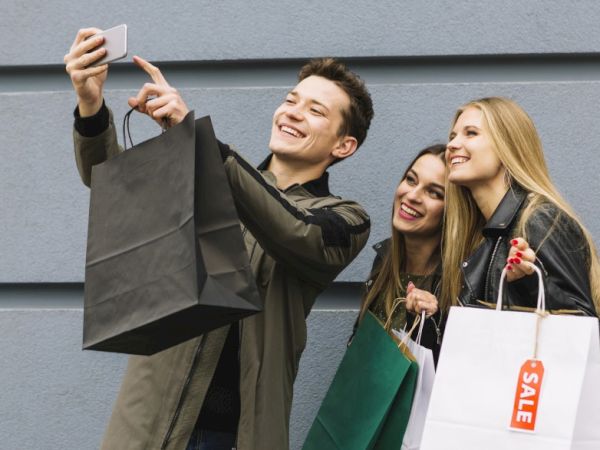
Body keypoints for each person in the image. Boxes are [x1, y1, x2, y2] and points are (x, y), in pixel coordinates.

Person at [64, 28, 373, 450]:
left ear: (344, 145)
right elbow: (112, 185)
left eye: (316, 110)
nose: (293, 112)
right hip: (146, 429)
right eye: (290, 100)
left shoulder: (344, 218)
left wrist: (199, 142)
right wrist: (91, 104)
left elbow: (294, 229)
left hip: (235, 437)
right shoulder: (210, 171)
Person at [441, 96, 599, 317]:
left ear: (507, 145)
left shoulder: (539, 218)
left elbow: (583, 321)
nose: (452, 144)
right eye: (452, 136)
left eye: (471, 133)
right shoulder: (481, 235)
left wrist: (529, 282)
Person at [357, 144, 446, 363]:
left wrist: (428, 322)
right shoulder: (385, 260)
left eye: (433, 193)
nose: (412, 195)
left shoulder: (458, 281)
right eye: (411, 180)